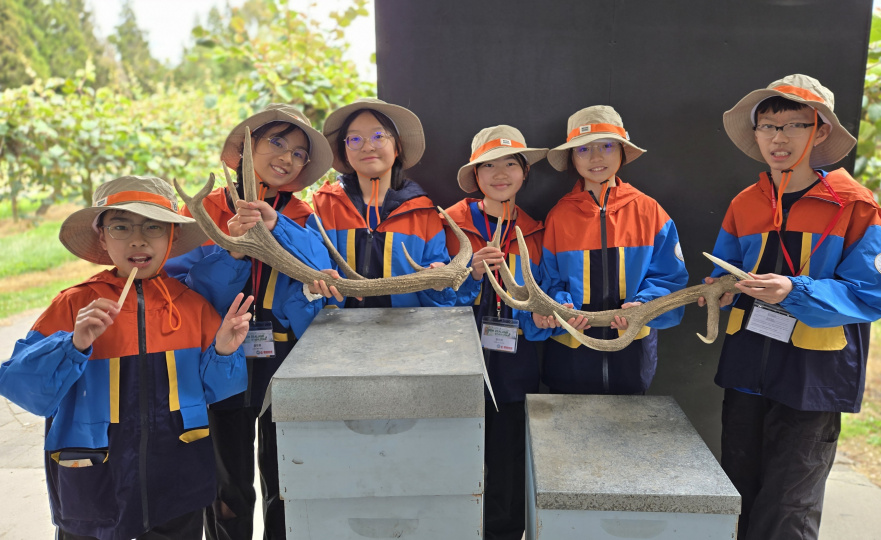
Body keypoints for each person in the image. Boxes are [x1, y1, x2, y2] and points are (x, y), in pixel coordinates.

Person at [0, 176, 253, 540]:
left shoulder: (192, 306)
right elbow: (23, 389)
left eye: (154, 226)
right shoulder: (73, 305)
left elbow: (217, 391)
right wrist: (74, 344)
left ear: (172, 237)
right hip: (94, 478)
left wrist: (224, 351)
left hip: (177, 477)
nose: (138, 239)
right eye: (121, 227)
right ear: (102, 237)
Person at [699, 74, 881, 539]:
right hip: (747, 371)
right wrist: (721, 291)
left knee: (790, 508)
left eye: (793, 125)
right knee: (737, 495)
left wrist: (795, 290)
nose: (778, 138)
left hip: (813, 378)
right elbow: (728, 273)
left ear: (820, 130)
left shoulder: (854, 206)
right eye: (768, 127)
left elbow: (872, 295)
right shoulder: (745, 204)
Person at [165, 103, 336, 540]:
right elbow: (181, 291)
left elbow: (319, 277)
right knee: (228, 483)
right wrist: (233, 253)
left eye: (299, 153)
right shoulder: (202, 211)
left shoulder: (301, 216)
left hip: (284, 357)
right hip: (220, 357)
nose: (287, 157)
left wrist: (277, 226)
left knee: (287, 477)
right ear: (245, 147)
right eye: (276, 142)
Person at [240, 98, 455, 308]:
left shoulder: (424, 214)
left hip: (405, 330)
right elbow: (313, 263)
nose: (367, 147)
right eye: (355, 139)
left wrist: (438, 285)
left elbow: (443, 301)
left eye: (378, 136)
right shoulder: (325, 206)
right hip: (338, 329)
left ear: (397, 146)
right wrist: (278, 225)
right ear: (345, 151)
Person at [534, 105, 689, 395]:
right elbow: (548, 281)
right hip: (570, 354)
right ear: (572, 158)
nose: (595, 157)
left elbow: (671, 279)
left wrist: (643, 306)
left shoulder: (650, 212)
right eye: (583, 149)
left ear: (622, 151)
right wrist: (561, 307)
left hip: (632, 354)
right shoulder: (559, 216)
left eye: (606, 145)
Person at [444, 125, 552, 540]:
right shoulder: (448, 223)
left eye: (511, 163)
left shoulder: (536, 230)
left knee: (509, 459)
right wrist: (468, 276)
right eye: (488, 165)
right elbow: (432, 299)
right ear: (475, 174)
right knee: (454, 457)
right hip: (456, 363)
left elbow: (545, 299)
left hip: (514, 366)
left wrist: (539, 318)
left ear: (525, 172)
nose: (500, 173)